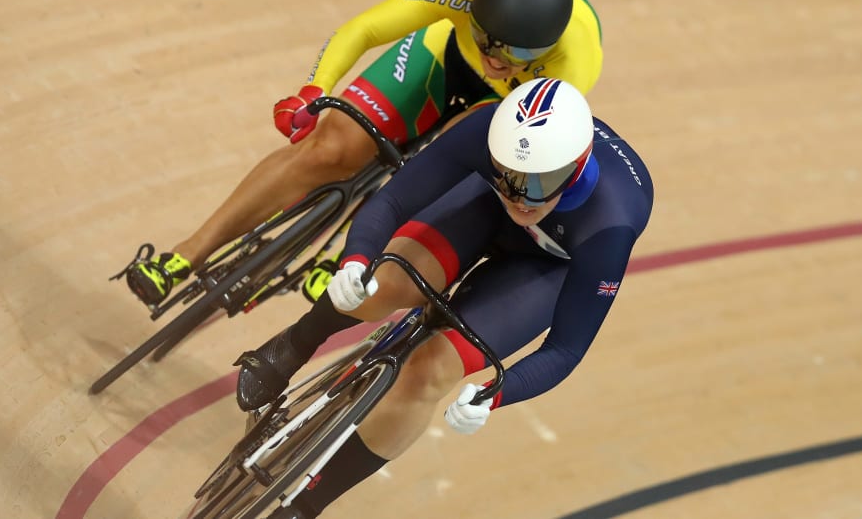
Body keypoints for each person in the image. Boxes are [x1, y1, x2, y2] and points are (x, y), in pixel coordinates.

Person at [234, 78, 653, 518]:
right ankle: (293, 345)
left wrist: (496, 393)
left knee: (428, 374)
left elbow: (566, 348)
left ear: (575, 169)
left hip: (548, 266)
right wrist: (356, 260)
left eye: (535, 185)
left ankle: (306, 505)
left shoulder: (611, 225)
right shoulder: (489, 130)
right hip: (479, 208)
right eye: (507, 174)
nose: (519, 196)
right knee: (383, 285)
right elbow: (393, 201)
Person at [122, 0, 604, 306]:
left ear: (544, 49)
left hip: (508, 107)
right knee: (329, 149)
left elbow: (532, 149)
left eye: (514, 54)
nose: (493, 57)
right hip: (438, 57)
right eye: (483, 37)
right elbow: (365, 29)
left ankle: (354, 248)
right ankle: (184, 255)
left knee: (439, 170)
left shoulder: (575, 64)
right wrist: (314, 90)